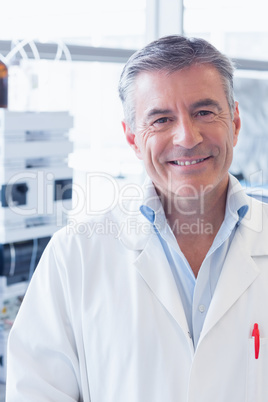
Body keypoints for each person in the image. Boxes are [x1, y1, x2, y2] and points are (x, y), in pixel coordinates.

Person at [6, 35, 268, 401]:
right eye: (161, 119)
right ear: (131, 137)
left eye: (204, 112)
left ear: (235, 121)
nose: (187, 137)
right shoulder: (75, 256)